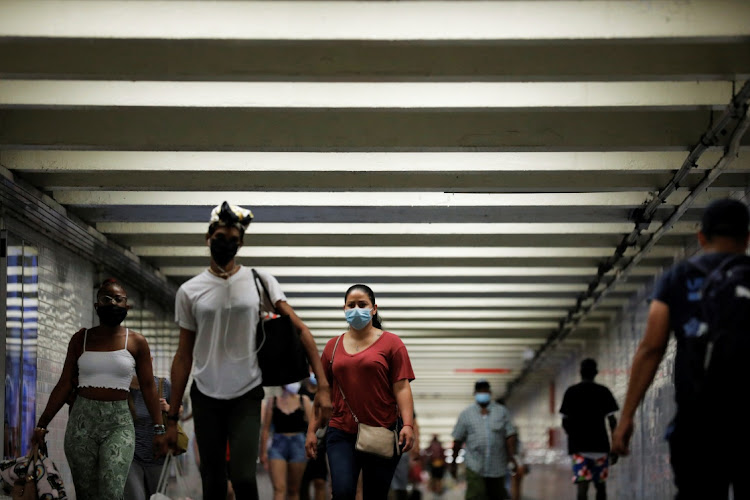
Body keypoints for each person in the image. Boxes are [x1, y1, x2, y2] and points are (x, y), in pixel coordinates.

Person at [165, 202, 332, 500]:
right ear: (208, 238)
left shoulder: (259, 281)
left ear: (240, 243)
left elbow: (300, 329)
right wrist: (173, 416)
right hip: (205, 393)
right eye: (219, 237)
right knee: (213, 481)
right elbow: (183, 355)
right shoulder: (190, 291)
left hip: (246, 391)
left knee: (243, 477)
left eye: (232, 239)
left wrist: (323, 386)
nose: (225, 244)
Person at [612, 198, 750, 499]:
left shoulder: (678, 277)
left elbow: (651, 348)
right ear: (747, 237)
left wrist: (626, 418)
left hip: (697, 427)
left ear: (701, 237)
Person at [32, 279, 166, 500]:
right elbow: (64, 384)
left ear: (126, 306)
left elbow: (149, 388)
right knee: (86, 493)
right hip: (82, 422)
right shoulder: (81, 338)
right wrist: (42, 425)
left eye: (118, 299)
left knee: (111, 491)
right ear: (97, 306)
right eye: (106, 298)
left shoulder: (136, 342)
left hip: (119, 423)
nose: (112, 303)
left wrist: (159, 428)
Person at [305, 284, 416, 500]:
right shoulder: (332, 347)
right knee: (343, 492)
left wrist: (408, 424)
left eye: (362, 304)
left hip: (381, 430)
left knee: (375, 494)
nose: (356, 309)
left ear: (374, 309)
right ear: (344, 309)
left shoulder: (392, 344)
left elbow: (402, 387)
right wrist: (311, 431)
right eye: (351, 305)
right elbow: (323, 393)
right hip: (341, 432)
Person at [560, 358, 618, 500]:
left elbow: (565, 421)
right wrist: (615, 446)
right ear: (596, 373)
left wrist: (574, 437)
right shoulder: (603, 391)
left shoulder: (571, 392)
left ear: (580, 372)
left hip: (579, 449)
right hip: (600, 447)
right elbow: (612, 421)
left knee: (582, 487)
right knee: (600, 486)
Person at [451, 380, 517, 500]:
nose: (482, 393)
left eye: (485, 391)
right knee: (475, 495)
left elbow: (510, 435)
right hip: (474, 465)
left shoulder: (501, 412)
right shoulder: (466, 414)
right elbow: (457, 440)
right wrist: (453, 463)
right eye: (479, 391)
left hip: (498, 465)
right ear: (475, 393)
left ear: (490, 393)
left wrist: (512, 456)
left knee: (497, 495)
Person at [124, 368, 174, 500]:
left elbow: (179, 410)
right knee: (135, 496)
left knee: (157, 496)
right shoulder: (123, 388)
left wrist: (167, 408)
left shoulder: (163, 385)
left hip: (158, 456)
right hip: (132, 457)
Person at [260, 382, 314, 500]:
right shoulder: (273, 401)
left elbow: (312, 428)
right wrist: (263, 452)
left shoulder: (303, 400)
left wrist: (312, 448)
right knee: (279, 489)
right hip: (278, 445)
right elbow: (266, 429)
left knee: (293, 490)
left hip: (298, 445)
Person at [299, 374, 329, 500]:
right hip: (302, 440)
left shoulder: (325, 394)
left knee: (320, 480)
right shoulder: (300, 393)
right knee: (302, 482)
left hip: (322, 442)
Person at [389, 412, 420, 500]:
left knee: (400, 482)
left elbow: (414, 424)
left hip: (401, 448)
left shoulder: (405, 402)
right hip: (384, 445)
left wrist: (416, 446)